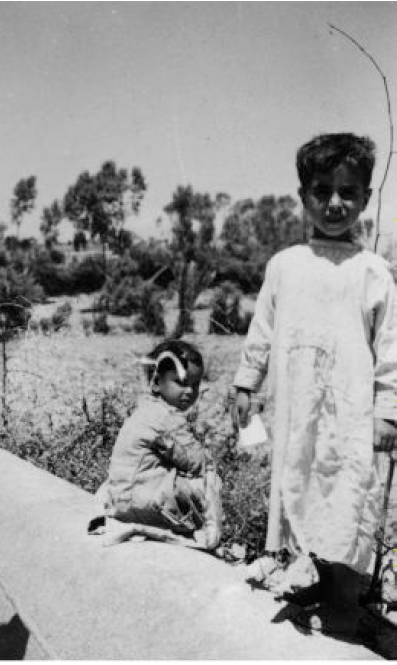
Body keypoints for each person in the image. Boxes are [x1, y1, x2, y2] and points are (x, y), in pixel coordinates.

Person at [232, 133, 397, 622]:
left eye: (347, 192)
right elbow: (261, 329)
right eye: (322, 190)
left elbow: (390, 349)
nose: (334, 203)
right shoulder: (285, 266)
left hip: (351, 411)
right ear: (303, 195)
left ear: (366, 197)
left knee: (348, 494)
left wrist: (388, 411)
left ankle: (348, 600)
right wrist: (246, 381)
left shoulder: (373, 271)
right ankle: (314, 577)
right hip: (297, 404)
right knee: (300, 484)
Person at [99, 339, 221, 550]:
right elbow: (196, 461)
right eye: (181, 383)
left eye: (195, 384)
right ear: (156, 382)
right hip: (142, 504)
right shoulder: (166, 419)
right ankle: (210, 536)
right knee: (208, 477)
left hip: (120, 501)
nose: (190, 391)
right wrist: (208, 462)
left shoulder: (145, 409)